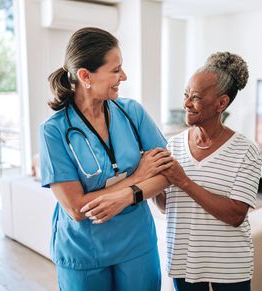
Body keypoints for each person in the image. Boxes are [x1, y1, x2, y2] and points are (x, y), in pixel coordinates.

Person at [39, 27, 172, 291]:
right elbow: (77, 208)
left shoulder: (132, 112)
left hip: (137, 244)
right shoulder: (53, 130)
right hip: (83, 251)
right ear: (85, 76)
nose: (124, 76)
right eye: (115, 70)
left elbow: (167, 172)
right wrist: (138, 178)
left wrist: (128, 195)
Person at [156, 52, 262, 291]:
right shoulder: (173, 145)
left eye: (195, 97)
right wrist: (150, 178)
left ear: (221, 103)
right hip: (183, 261)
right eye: (186, 95)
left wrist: (184, 181)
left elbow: (235, 216)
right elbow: (166, 206)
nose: (185, 104)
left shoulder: (246, 151)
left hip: (229, 266)